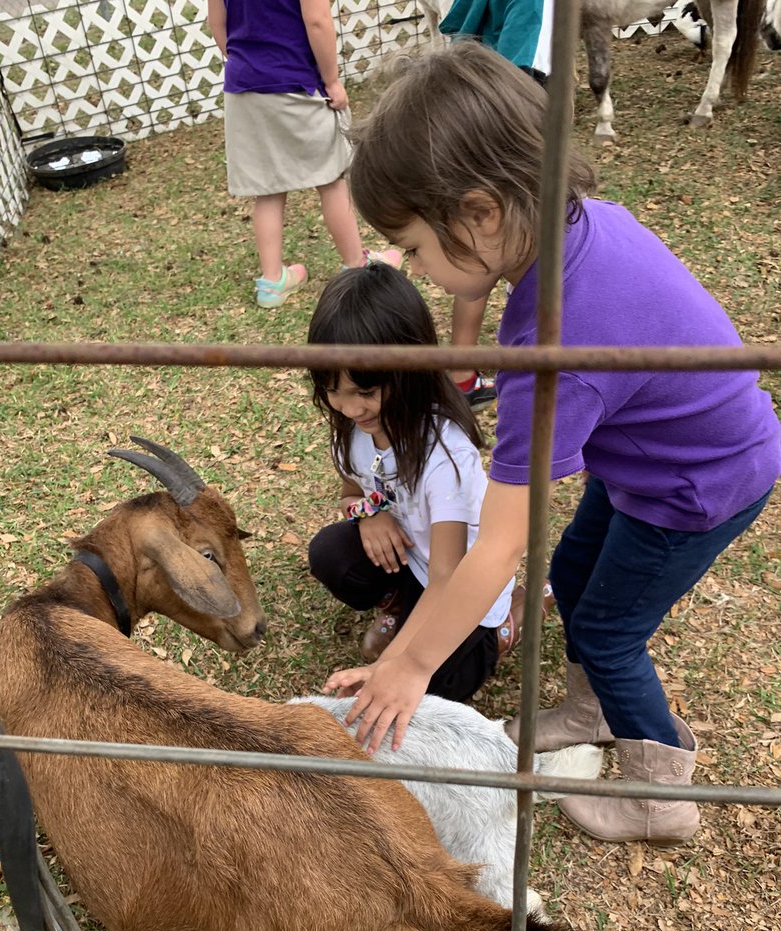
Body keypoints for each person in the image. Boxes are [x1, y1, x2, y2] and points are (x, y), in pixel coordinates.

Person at [322, 41, 780, 844]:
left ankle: (661, 793)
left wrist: (408, 665)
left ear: (481, 213)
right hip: (652, 453)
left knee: (609, 630)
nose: (418, 269)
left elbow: (496, 549)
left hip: (697, 485)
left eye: (418, 247)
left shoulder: (553, 345)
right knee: (572, 572)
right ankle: (591, 708)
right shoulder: (580, 229)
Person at [307, 261, 527, 703]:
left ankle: (512, 618)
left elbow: (448, 576)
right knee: (330, 554)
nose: (349, 408)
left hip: (461, 587)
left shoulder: (446, 455)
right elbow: (350, 491)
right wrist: (370, 514)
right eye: (334, 390)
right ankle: (399, 607)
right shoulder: (353, 430)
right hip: (413, 564)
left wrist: (386, 670)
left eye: (365, 391)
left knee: (439, 687)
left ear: (410, 369)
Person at [206, 0, 401, 308]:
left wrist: (246, 62)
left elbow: (216, 21)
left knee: (267, 189)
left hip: (244, 86)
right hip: (297, 81)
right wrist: (332, 81)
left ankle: (271, 283)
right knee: (332, 178)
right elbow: (318, 21)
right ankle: (355, 264)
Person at [440, 0, 554, 409]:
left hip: (472, 99)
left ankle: (461, 371)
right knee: (511, 239)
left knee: (484, 243)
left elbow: (456, 22)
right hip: (509, 103)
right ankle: (516, 368)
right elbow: (517, 57)